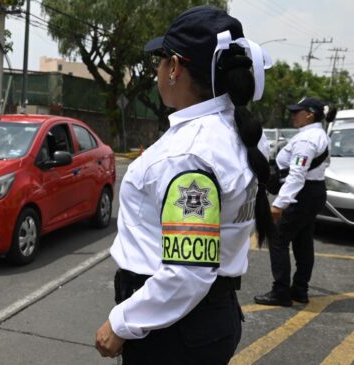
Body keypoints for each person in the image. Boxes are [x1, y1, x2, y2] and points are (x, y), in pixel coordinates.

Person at [94, 6, 275, 364]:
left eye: (160, 60)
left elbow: (188, 272)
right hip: (205, 320)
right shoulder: (239, 133)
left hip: (175, 330)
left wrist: (122, 322)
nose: (158, 70)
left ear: (175, 67)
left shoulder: (188, 154)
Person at [254, 97, 333, 306]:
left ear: (309, 114)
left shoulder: (307, 140)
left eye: (296, 112)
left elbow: (297, 174)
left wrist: (279, 203)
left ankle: (281, 292)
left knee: (278, 239)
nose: (292, 116)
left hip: (302, 194)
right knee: (303, 240)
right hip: (313, 191)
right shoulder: (318, 135)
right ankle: (300, 290)